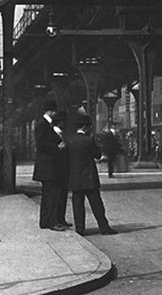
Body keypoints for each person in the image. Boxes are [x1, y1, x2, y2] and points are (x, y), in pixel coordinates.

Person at [67, 114, 118, 236]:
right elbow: (97, 154)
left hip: (75, 178)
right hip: (89, 177)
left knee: (77, 204)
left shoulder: (70, 140)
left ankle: (80, 229)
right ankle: (104, 228)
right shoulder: (89, 140)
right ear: (85, 127)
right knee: (96, 204)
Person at [32, 99, 68, 231]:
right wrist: (57, 147)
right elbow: (41, 144)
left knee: (48, 196)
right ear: (51, 111)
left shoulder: (46, 124)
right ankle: (52, 223)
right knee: (51, 196)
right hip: (48, 167)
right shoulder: (43, 124)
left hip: (48, 167)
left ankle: (46, 221)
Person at [52, 110, 72, 229]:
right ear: (60, 122)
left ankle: (61, 218)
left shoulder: (61, 134)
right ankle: (57, 219)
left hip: (63, 171)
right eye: (64, 122)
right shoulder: (54, 134)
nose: (66, 124)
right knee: (57, 196)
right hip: (57, 170)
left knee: (62, 195)